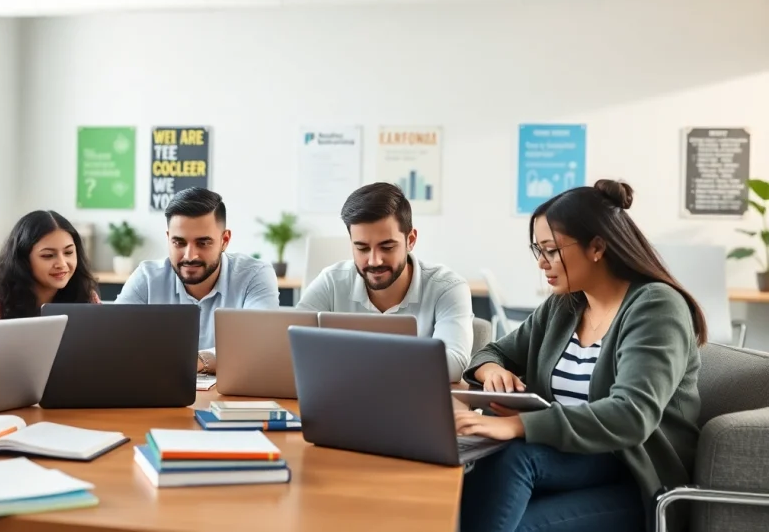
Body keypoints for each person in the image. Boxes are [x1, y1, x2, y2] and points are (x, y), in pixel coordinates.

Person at [455, 179, 705, 532]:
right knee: (491, 457)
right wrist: (491, 369)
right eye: (538, 250)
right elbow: (492, 351)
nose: (542, 263)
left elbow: (632, 415)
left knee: (513, 460)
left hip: (634, 476)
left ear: (597, 247)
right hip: (568, 462)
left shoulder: (656, 306)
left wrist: (517, 425)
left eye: (551, 250)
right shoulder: (566, 305)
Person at [296, 182, 474, 382]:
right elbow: (289, 345)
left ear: (410, 240)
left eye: (387, 247)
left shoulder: (447, 287)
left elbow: (454, 363)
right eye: (362, 248)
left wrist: (348, 360)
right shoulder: (331, 281)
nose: (374, 261)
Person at [115, 187, 279, 374]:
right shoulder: (147, 277)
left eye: (203, 243)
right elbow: (116, 341)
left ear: (225, 240)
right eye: (179, 242)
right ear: (168, 239)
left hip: (233, 392)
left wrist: (198, 361)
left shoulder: (254, 275)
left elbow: (260, 346)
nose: (190, 255)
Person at [0, 210, 100, 322]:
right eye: (48, 255)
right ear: (23, 258)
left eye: (68, 252)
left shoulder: (84, 293)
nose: (62, 264)